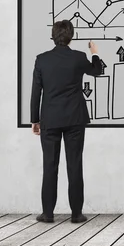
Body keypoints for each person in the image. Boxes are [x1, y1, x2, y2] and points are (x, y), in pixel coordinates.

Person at [30, 20, 103, 223]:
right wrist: (94, 53)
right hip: (74, 119)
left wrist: (35, 120)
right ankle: (76, 214)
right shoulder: (79, 58)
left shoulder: (42, 60)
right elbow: (98, 71)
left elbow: (36, 92)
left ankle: (48, 213)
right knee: (74, 165)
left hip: (50, 120)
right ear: (71, 36)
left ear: (53, 36)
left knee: (49, 166)